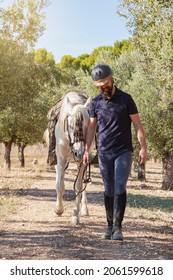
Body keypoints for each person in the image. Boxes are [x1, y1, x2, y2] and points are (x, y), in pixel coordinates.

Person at [83, 63, 147, 241]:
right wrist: (87, 150)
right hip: (104, 152)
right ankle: (109, 226)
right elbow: (91, 128)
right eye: (99, 85)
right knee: (108, 188)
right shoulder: (95, 103)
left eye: (105, 83)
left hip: (123, 151)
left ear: (112, 79)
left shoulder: (126, 99)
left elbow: (137, 124)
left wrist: (143, 147)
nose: (103, 87)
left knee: (120, 186)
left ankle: (118, 228)